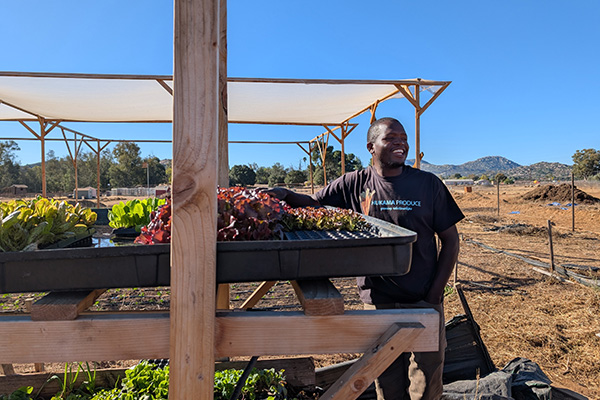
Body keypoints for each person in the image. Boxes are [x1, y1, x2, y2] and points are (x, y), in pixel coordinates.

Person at [265, 117, 464, 399]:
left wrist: (434, 296)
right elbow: (314, 203)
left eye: (403, 139)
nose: (401, 144)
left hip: (422, 298)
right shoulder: (354, 183)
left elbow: (451, 240)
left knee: (428, 377)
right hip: (378, 301)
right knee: (385, 377)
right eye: (391, 138)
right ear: (371, 146)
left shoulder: (428, 185)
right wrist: (284, 194)